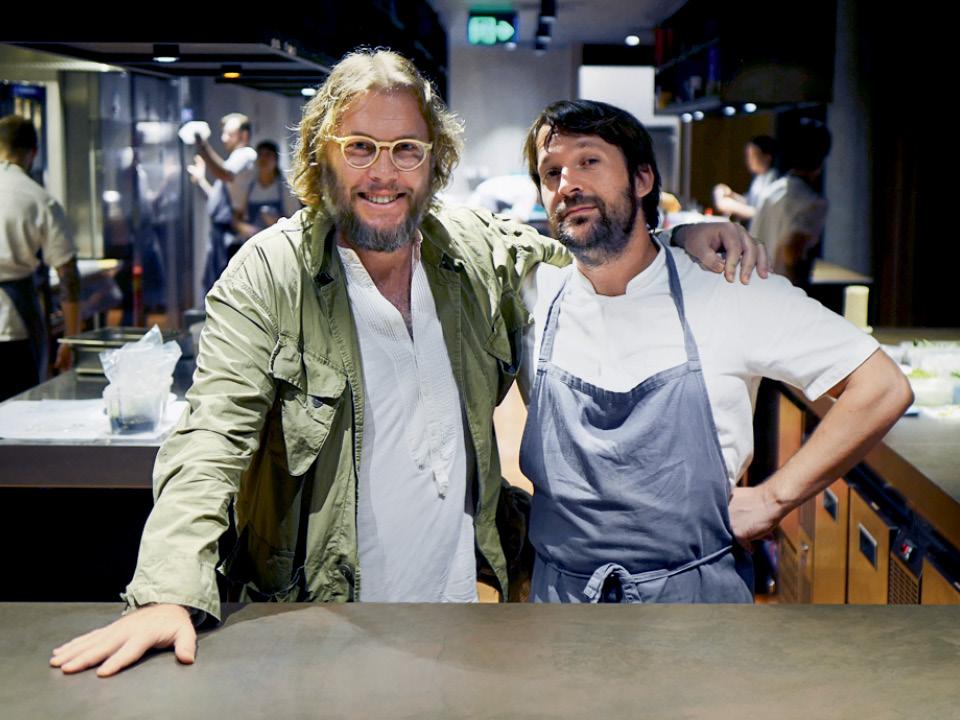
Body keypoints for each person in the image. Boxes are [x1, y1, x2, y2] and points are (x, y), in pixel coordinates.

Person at [50, 50, 761, 677]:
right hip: (318, 623)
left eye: (406, 150)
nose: (384, 173)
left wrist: (677, 236)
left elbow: (595, 254)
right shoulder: (270, 274)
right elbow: (210, 436)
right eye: (360, 147)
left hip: (459, 617)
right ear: (321, 157)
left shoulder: (471, 253)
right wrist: (168, 591)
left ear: (434, 160)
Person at [518, 100, 912, 604]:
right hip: (561, 604)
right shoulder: (532, 294)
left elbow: (881, 386)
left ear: (642, 179)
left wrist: (773, 497)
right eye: (551, 172)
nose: (567, 183)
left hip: (696, 607)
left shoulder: (727, 288)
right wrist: (680, 232)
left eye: (588, 161)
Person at [0, 115, 80, 401]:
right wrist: (71, 339)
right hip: (13, 329)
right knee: (17, 411)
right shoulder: (38, 198)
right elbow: (68, 273)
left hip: (15, 321)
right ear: (33, 152)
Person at [751, 120, 831, 288]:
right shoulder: (813, 203)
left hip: (754, 284)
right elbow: (791, 253)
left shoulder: (771, 191)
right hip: (781, 290)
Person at [186, 113, 258, 294]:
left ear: (244, 135)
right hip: (220, 233)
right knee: (215, 286)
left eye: (229, 133)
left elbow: (225, 173)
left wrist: (202, 145)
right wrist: (201, 180)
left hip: (231, 234)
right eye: (223, 133)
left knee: (225, 289)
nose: (224, 138)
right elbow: (217, 200)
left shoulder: (246, 154)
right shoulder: (235, 159)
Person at [232, 140, 301, 242]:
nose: (263, 159)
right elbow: (236, 219)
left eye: (268, 155)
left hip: (278, 241)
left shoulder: (285, 188)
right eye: (260, 155)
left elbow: (295, 221)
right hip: (253, 241)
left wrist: (275, 222)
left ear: (276, 160)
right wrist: (244, 228)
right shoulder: (248, 186)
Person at [712, 135, 778, 223]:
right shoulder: (759, 178)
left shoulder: (775, 181)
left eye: (752, 156)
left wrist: (733, 206)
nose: (748, 160)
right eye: (747, 156)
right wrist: (731, 194)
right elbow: (750, 202)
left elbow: (762, 214)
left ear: (767, 158)